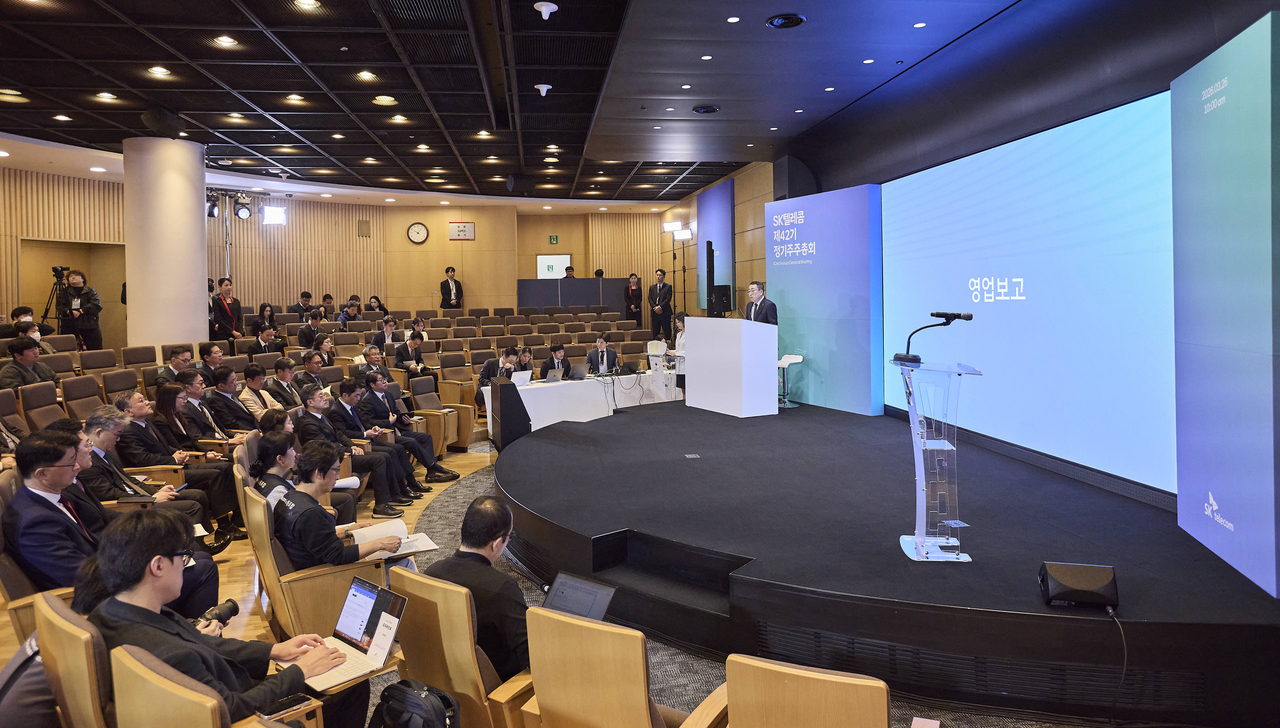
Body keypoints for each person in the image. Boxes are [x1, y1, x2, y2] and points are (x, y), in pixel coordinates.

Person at [87, 509, 369, 726]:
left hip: (217, 697)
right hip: (245, 713)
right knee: (352, 686)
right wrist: (301, 671)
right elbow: (233, 709)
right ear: (158, 565)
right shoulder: (173, 656)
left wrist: (273, 650)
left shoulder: (112, 610)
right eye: (184, 557)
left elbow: (199, 640)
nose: (187, 564)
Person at [4, 433, 219, 618]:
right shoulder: (34, 523)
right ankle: (193, 642)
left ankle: (185, 635)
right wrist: (143, 564)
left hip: (105, 580)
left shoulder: (48, 498)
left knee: (194, 558)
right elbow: (79, 576)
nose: (77, 466)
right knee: (202, 568)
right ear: (42, 474)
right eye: (70, 462)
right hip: (95, 605)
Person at [78, 406, 224, 551]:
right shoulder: (90, 463)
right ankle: (189, 550)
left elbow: (129, 481)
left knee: (197, 495)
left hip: (141, 498)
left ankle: (201, 544)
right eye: (117, 434)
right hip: (133, 505)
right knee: (192, 507)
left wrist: (157, 490)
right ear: (99, 433)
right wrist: (151, 498)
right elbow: (109, 495)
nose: (119, 439)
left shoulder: (104, 453)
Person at [113, 390, 242, 542]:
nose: (147, 402)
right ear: (128, 411)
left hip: (174, 466)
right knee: (216, 474)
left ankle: (234, 519)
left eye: (146, 398)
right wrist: (173, 460)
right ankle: (223, 527)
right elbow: (142, 459)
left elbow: (165, 446)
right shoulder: (127, 431)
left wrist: (179, 453)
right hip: (161, 473)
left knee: (225, 467)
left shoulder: (146, 422)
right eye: (141, 401)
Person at [424, 496, 528, 681]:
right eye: (508, 538)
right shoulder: (501, 588)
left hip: (446, 677)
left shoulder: (432, 572)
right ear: (496, 543)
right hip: (499, 687)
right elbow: (531, 655)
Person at [274, 441, 413, 578]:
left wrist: (348, 530)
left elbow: (313, 539)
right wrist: (380, 544)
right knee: (404, 565)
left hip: (312, 570)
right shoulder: (310, 514)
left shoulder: (290, 497)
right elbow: (338, 555)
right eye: (336, 470)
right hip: (321, 579)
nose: (338, 477)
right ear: (318, 473)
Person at [294, 383, 406, 519]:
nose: (325, 398)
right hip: (334, 460)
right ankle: (380, 507)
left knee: (386, 455)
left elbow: (339, 434)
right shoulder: (307, 423)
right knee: (379, 460)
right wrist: (350, 451)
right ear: (310, 402)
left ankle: (394, 495)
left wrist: (352, 445)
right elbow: (326, 446)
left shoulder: (321, 416)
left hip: (343, 453)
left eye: (324, 394)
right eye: (320, 396)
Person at [328, 378, 426, 498]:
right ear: (345, 395)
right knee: (390, 452)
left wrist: (373, 428)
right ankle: (401, 489)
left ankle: (411, 482)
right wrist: (365, 434)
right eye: (356, 396)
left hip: (368, 440)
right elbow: (344, 433)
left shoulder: (352, 405)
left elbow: (363, 423)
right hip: (359, 443)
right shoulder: (336, 411)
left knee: (399, 448)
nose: (359, 399)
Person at [359, 370, 456, 484]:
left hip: (397, 430)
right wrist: (388, 422)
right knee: (411, 441)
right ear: (372, 384)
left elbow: (395, 412)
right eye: (381, 380)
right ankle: (434, 466)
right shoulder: (367, 400)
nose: (385, 382)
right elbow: (368, 422)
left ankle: (431, 472)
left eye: (385, 379)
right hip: (384, 435)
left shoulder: (388, 395)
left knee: (426, 437)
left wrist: (403, 419)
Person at [253, 431, 356, 525]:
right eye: (291, 449)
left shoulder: (265, 478)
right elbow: (293, 519)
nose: (294, 453)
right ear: (280, 459)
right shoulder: (278, 491)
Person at [175, 370, 246, 449]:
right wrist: (228, 441)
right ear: (188, 388)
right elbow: (198, 438)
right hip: (214, 446)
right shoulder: (185, 410)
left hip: (223, 440)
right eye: (200, 383)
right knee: (244, 448)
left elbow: (219, 428)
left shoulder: (202, 403)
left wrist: (236, 435)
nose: (204, 386)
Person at [56, 269, 104, 350]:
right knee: (66, 349)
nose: (73, 278)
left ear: (82, 279)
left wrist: (81, 311)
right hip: (69, 324)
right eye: (70, 276)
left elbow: (96, 305)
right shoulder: (63, 292)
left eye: (75, 276)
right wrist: (69, 312)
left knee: (95, 348)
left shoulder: (90, 291)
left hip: (89, 324)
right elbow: (59, 307)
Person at [204, 366, 257, 432]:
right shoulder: (216, 401)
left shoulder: (232, 396)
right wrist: (254, 432)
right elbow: (231, 423)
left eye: (236, 379)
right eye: (233, 381)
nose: (236, 383)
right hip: (245, 433)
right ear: (221, 386)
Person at [648, 268, 673, 343]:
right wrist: (655, 308)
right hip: (655, 313)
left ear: (664, 277)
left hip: (665, 312)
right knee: (655, 332)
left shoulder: (668, 287)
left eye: (660, 275)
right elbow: (650, 299)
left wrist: (660, 307)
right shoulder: (652, 287)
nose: (658, 277)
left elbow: (668, 299)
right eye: (657, 275)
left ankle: (668, 348)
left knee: (666, 331)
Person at [673, 312, 687, 391]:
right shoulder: (678, 334)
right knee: (682, 390)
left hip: (686, 366)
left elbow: (690, 351)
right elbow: (678, 349)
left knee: (687, 390)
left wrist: (675, 353)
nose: (677, 324)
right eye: (676, 323)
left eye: (679, 322)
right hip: (679, 366)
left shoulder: (691, 334)